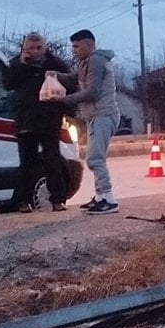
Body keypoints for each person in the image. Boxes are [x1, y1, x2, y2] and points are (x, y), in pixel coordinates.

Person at [49, 29, 121, 215]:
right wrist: (56, 76)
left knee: (94, 158)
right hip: (96, 116)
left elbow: (93, 92)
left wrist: (64, 100)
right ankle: (100, 197)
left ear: (88, 45)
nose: (74, 50)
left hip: (103, 115)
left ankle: (109, 199)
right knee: (96, 157)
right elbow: (75, 78)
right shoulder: (87, 62)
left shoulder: (96, 61)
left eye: (76, 46)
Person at [3, 33, 73, 212]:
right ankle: (23, 201)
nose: (35, 52)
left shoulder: (56, 65)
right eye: (30, 48)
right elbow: (7, 84)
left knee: (53, 160)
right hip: (26, 120)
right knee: (27, 162)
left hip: (49, 119)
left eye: (38, 48)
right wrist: (22, 64)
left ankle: (58, 199)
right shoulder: (16, 64)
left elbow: (71, 86)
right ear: (24, 48)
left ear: (45, 47)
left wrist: (67, 112)